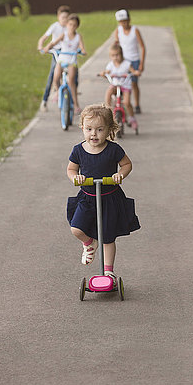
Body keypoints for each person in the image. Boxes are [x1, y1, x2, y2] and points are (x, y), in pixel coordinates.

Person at [66, 104, 140, 285]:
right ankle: (89, 243)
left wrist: (119, 175)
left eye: (100, 130)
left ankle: (109, 273)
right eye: (89, 129)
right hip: (87, 197)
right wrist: (76, 178)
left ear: (109, 130)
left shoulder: (114, 150)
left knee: (107, 237)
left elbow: (127, 165)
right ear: (82, 128)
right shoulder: (78, 150)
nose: (94, 134)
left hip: (109, 198)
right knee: (76, 228)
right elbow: (70, 169)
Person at [43, 14, 86, 114]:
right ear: (67, 25)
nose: (72, 27)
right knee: (56, 77)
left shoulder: (78, 36)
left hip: (71, 61)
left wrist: (83, 51)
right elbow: (54, 43)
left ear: (77, 26)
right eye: (70, 24)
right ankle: (58, 92)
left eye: (74, 25)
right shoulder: (64, 34)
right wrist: (47, 47)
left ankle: (76, 105)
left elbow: (82, 47)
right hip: (62, 58)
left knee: (71, 81)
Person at [99, 42, 140, 131]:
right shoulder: (111, 65)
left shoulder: (126, 64)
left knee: (126, 102)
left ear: (121, 54)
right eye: (113, 55)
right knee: (108, 92)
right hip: (115, 85)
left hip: (125, 85)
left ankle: (132, 118)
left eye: (117, 55)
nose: (115, 57)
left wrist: (135, 72)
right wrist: (103, 73)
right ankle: (108, 111)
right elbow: (107, 71)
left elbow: (132, 71)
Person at [37, 5, 70, 111]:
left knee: (72, 74)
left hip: (67, 52)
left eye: (67, 17)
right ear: (58, 17)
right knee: (53, 74)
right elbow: (44, 37)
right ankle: (45, 101)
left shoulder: (70, 26)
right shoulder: (55, 26)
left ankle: (71, 97)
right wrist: (41, 46)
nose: (65, 19)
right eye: (63, 17)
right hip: (56, 52)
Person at [113, 9, 145, 114]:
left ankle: (137, 104)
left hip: (134, 60)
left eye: (125, 21)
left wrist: (141, 63)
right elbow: (116, 45)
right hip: (123, 60)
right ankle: (124, 103)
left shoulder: (135, 30)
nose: (123, 23)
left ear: (129, 20)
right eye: (121, 22)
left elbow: (142, 47)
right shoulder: (118, 31)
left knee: (134, 83)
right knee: (122, 83)